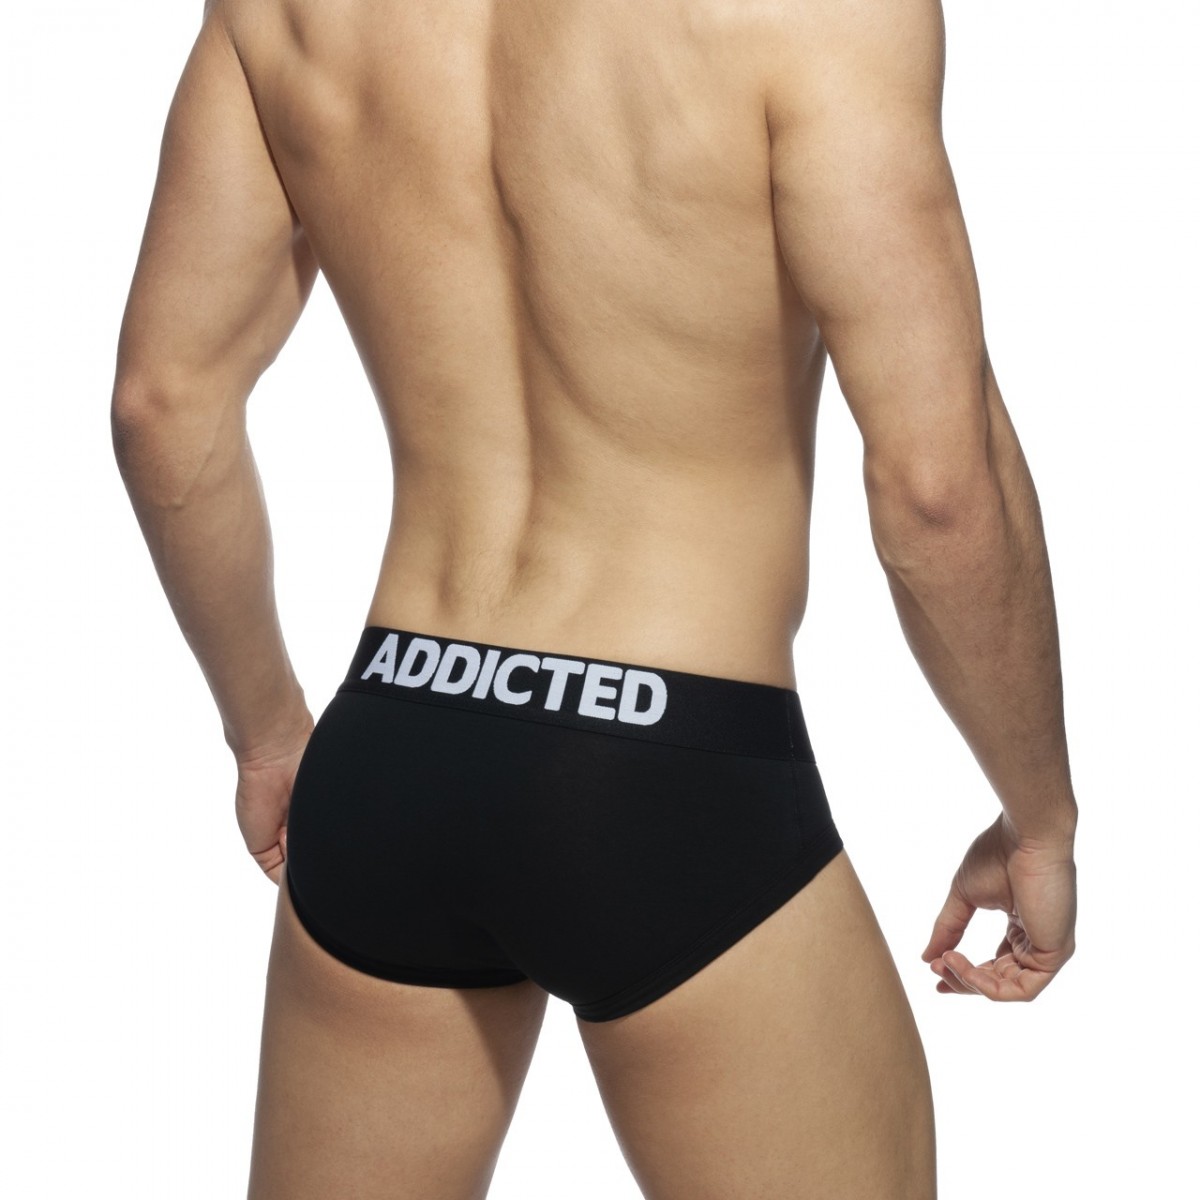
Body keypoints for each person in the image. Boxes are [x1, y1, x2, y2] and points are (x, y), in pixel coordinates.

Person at [111, 0, 1078, 1195]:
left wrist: (267, 733)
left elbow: (162, 405)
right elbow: (938, 489)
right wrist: (1038, 814)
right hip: (670, 762)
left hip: (397, 734)